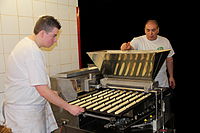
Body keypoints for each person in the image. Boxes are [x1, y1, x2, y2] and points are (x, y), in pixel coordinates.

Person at [3, 15, 84, 133]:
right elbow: (42, 90)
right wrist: (69, 107)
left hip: (23, 110)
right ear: (42, 33)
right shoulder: (32, 52)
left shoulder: (26, 45)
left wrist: (51, 93)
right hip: (25, 115)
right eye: (54, 36)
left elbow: (29, 82)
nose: (55, 40)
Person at [120, 20, 175, 89]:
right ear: (144, 30)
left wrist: (171, 76)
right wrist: (124, 46)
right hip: (143, 84)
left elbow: (169, 60)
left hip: (162, 82)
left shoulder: (165, 41)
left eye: (153, 30)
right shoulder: (137, 40)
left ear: (158, 30)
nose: (150, 33)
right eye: (148, 30)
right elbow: (129, 47)